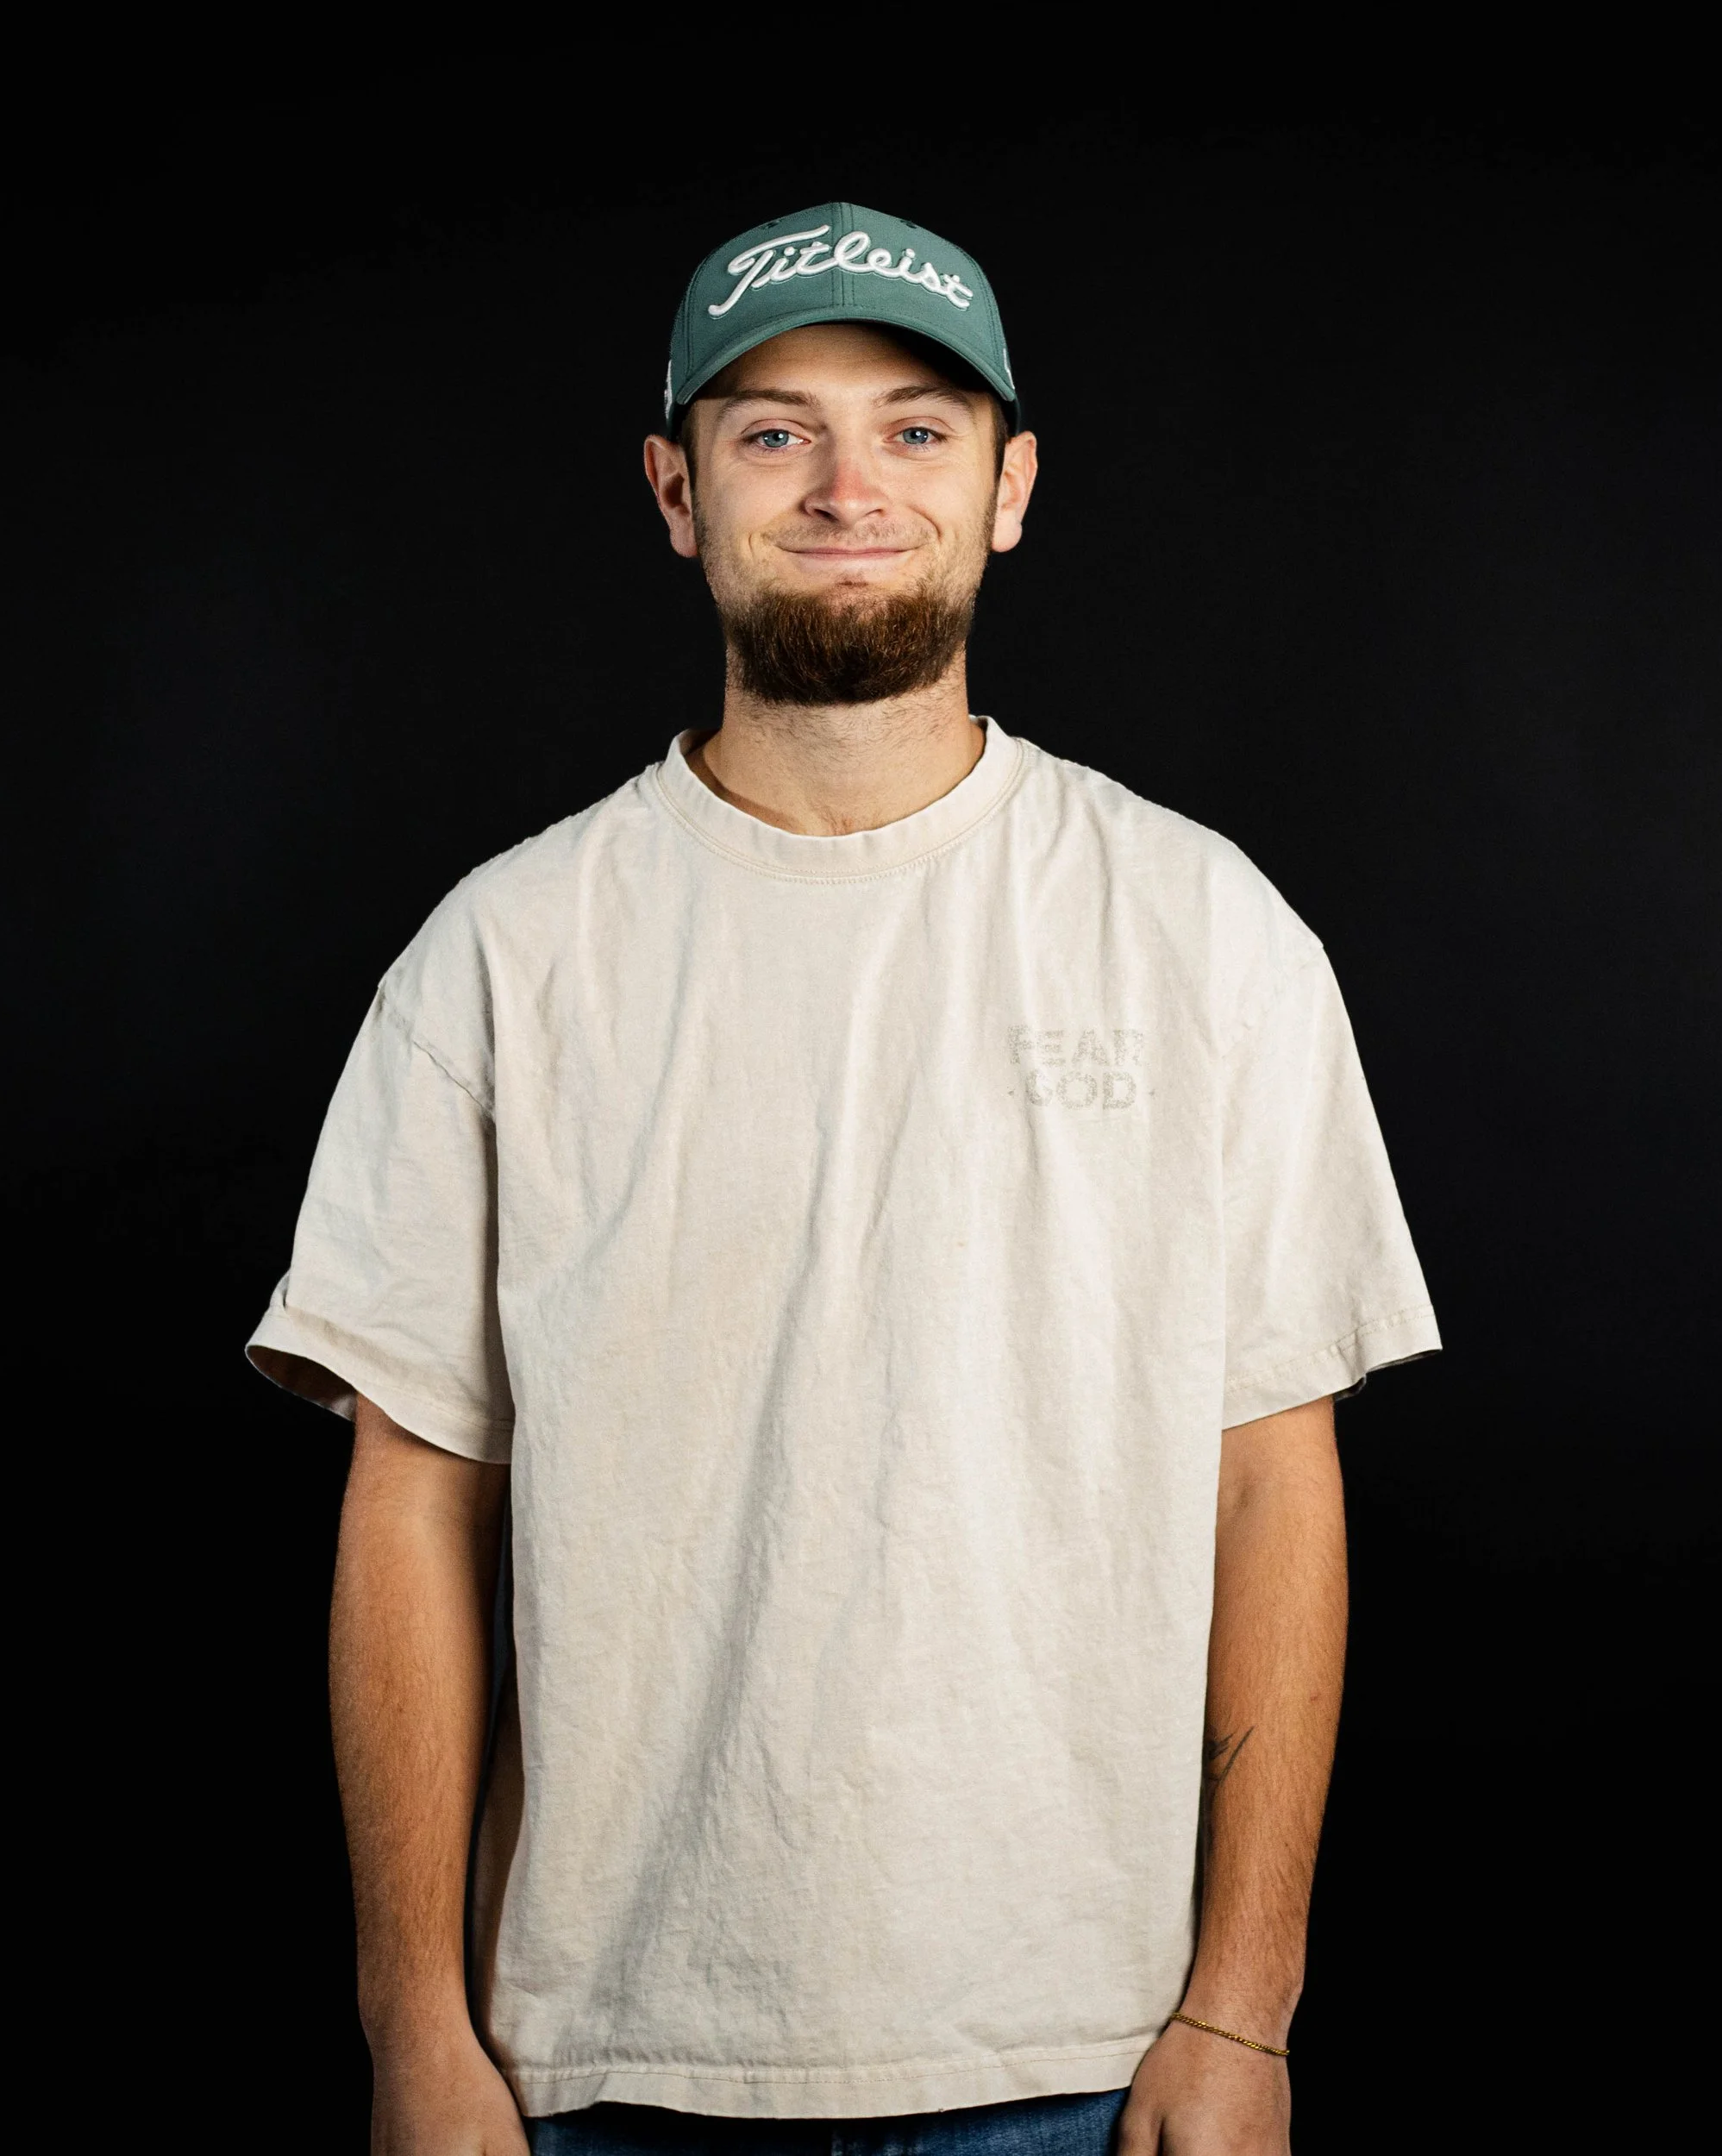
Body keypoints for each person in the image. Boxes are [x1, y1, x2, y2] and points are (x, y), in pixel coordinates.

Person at [248, 202, 1439, 2156]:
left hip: (1080, 2043)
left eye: (912, 428)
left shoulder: (1198, 927)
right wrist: (413, 2027)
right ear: (673, 489)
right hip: (608, 2055)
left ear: (1009, 488)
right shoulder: (505, 952)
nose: (842, 484)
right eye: (771, 430)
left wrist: (1246, 2004)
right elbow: (415, 1495)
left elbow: (1268, 1475)